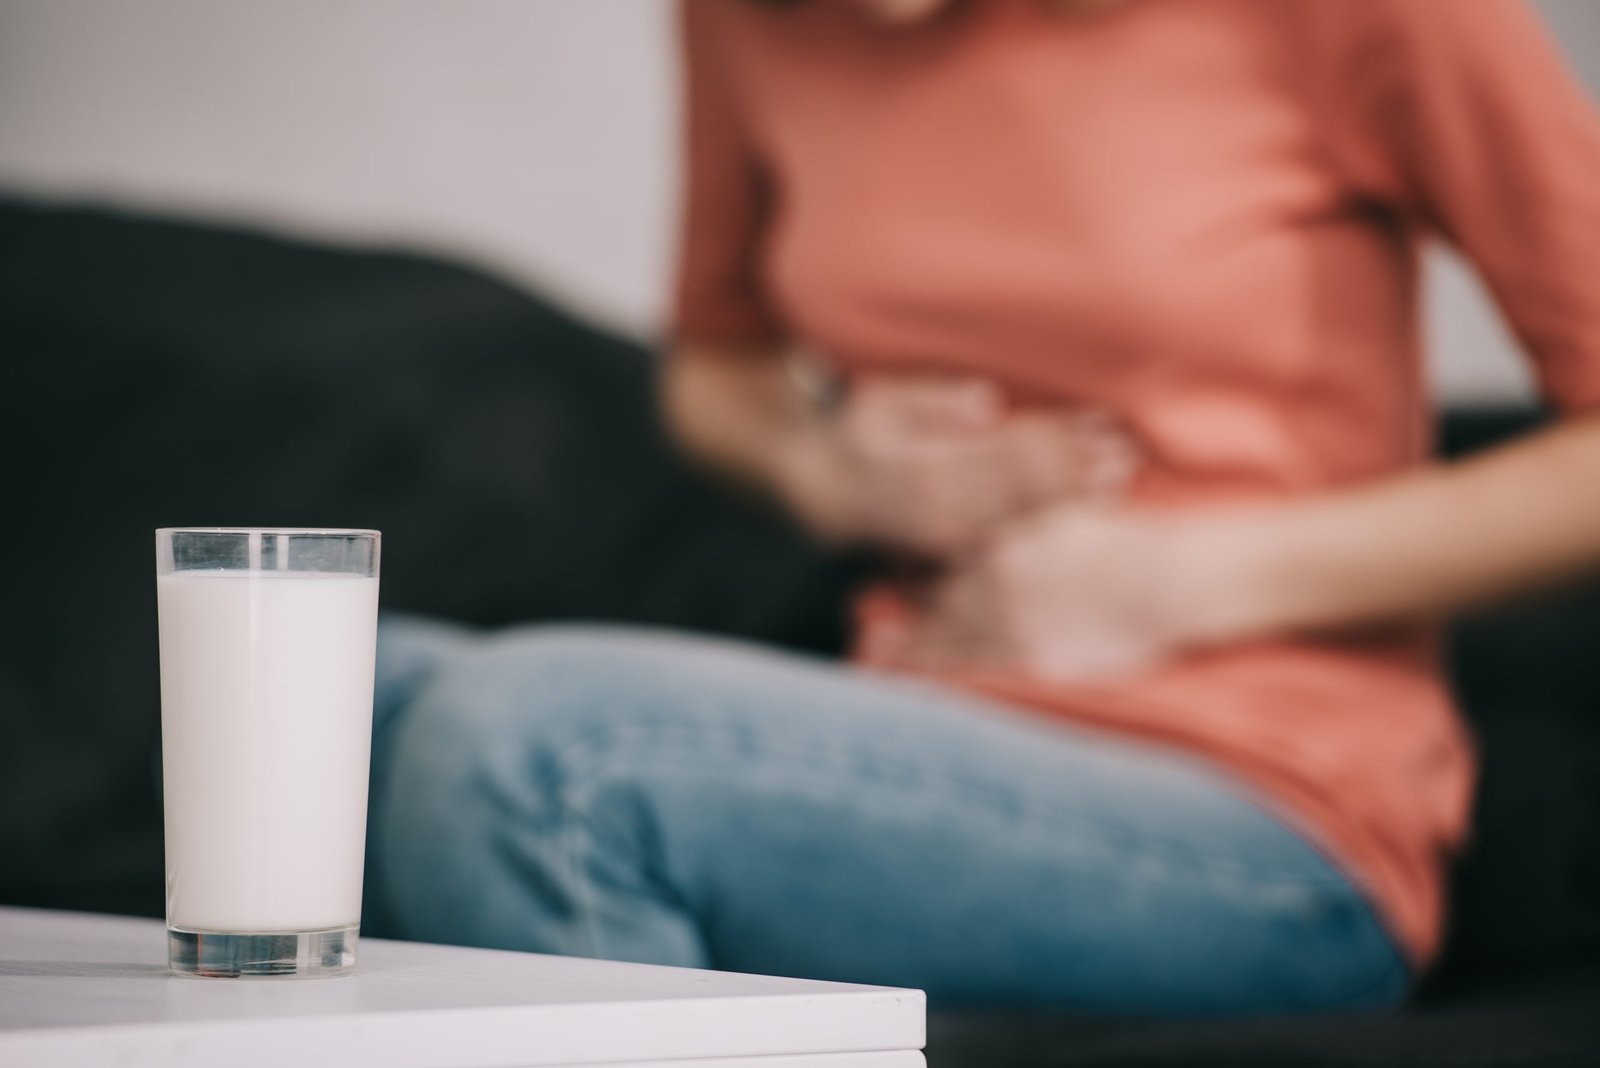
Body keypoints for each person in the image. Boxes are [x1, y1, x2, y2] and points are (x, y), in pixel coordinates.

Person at [364, 0, 1600, 1014]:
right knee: (346, 694)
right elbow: (719, 365)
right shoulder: (749, 15)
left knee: (536, 757)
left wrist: (1174, 585)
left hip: (1266, 811)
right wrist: (822, 468)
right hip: (921, 726)